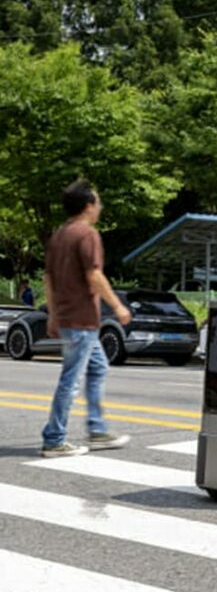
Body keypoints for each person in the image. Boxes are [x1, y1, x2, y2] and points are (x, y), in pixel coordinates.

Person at [41, 179, 132, 457]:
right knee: (71, 379)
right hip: (81, 320)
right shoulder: (87, 235)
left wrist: (53, 315)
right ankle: (54, 439)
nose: (100, 207)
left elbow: (48, 278)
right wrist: (118, 306)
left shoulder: (59, 235)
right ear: (88, 205)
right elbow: (94, 276)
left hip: (71, 319)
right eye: (98, 202)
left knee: (98, 368)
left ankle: (97, 429)